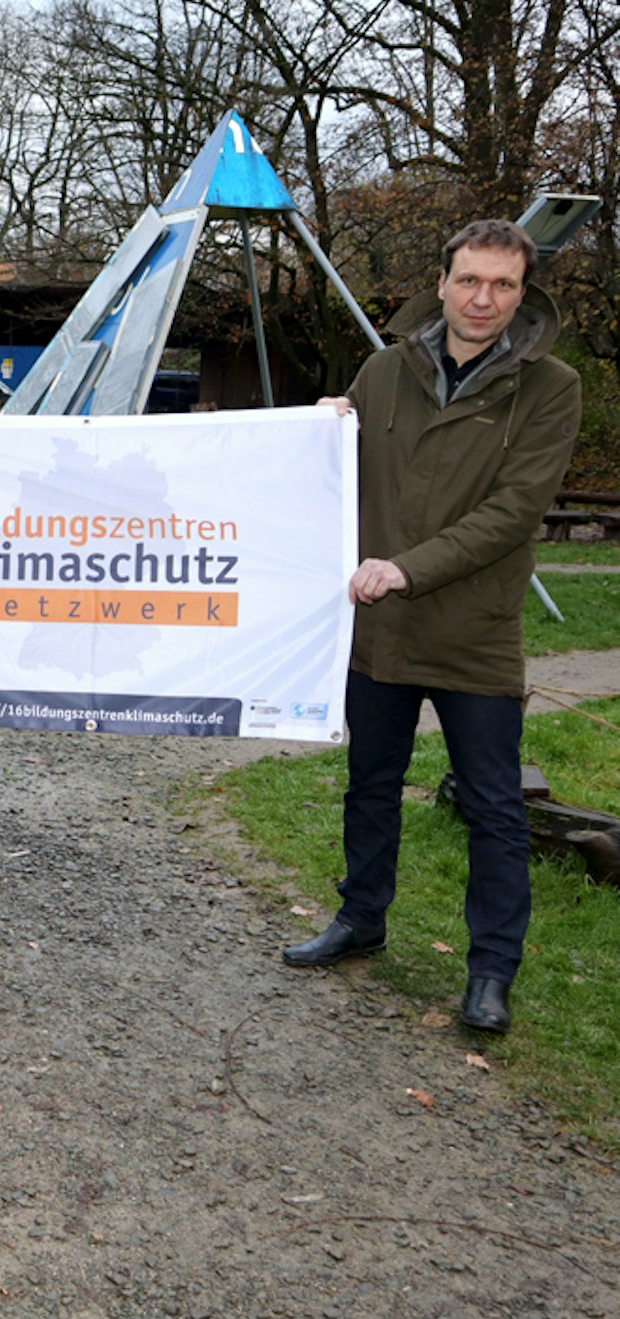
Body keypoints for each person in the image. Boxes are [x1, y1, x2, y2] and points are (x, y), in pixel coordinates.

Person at [283, 219, 583, 1035]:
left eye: (502, 285)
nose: (483, 299)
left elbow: (513, 510)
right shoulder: (383, 371)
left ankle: (490, 972)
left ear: (522, 294)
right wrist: (319, 434)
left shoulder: (549, 387)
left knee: (492, 805)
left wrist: (407, 568)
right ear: (442, 283)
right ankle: (359, 919)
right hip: (377, 631)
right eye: (469, 281)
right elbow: (338, 481)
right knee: (369, 784)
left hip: (472, 631)